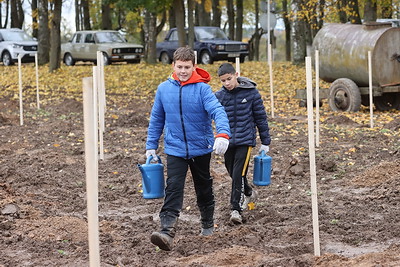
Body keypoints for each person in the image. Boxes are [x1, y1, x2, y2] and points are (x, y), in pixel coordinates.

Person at [145, 47, 231, 251]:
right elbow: (157, 118)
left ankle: (207, 224)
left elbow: (217, 110)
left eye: (187, 67)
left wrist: (223, 133)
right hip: (175, 148)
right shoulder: (163, 89)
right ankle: (166, 231)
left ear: (194, 67)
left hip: (200, 148)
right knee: (173, 187)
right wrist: (151, 146)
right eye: (180, 67)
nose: (183, 71)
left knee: (203, 186)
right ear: (173, 66)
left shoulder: (202, 89)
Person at [215, 62, 271, 224]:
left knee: (238, 173)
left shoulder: (252, 93)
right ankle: (248, 192)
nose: (227, 83)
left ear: (236, 75)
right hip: (227, 142)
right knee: (233, 173)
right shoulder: (219, 96)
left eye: (229, 79)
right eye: (223, 81)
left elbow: (261, 118)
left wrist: (265, 141)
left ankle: (235, 210)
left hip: (246, 141)